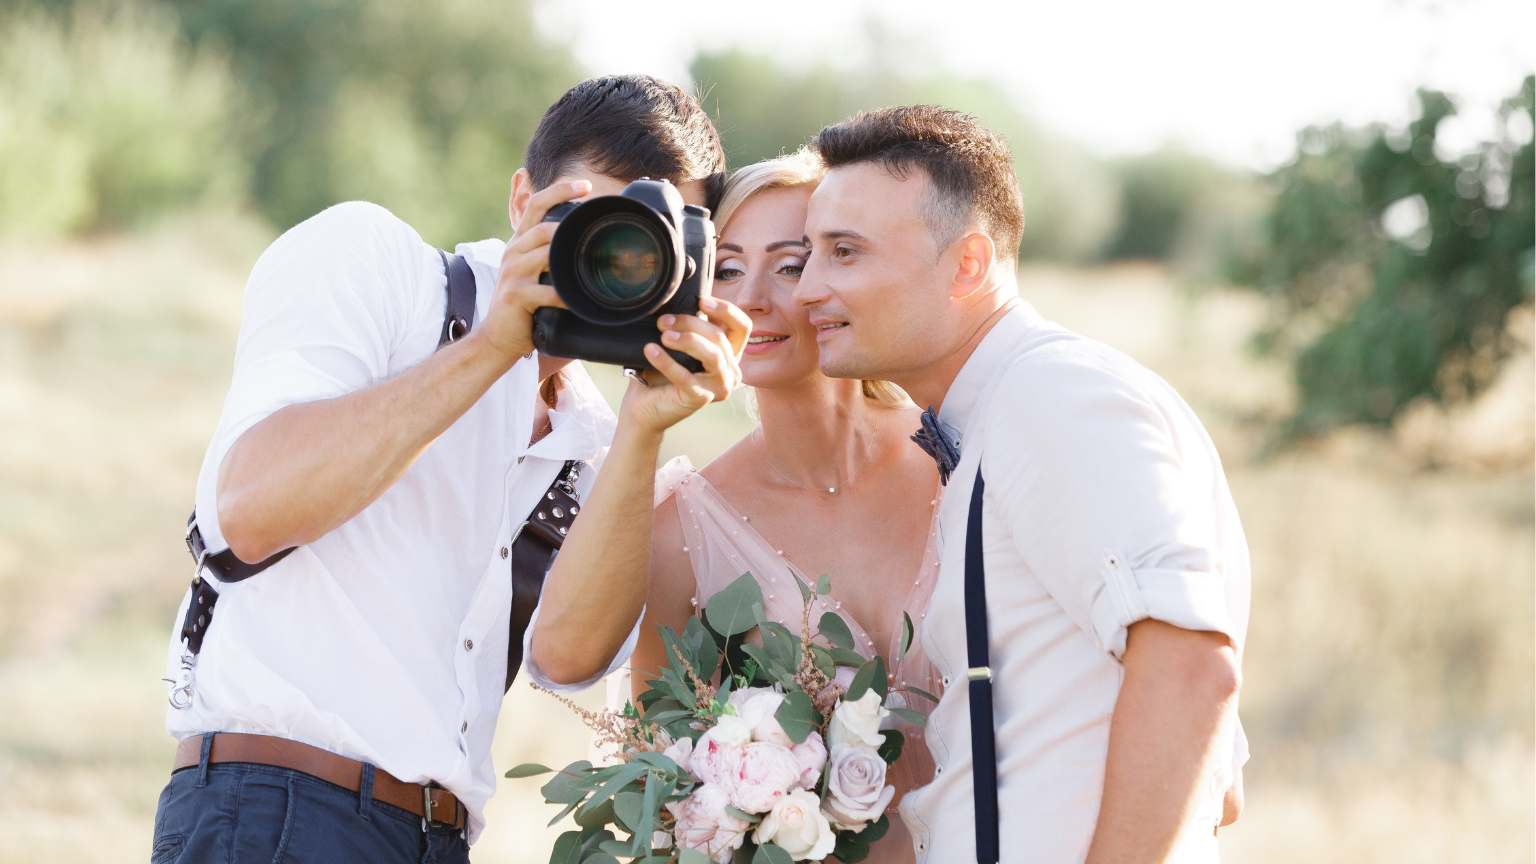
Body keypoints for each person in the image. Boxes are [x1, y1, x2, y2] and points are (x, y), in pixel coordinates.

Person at [149, 75, 747, 864]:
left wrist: (643, 427)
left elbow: (568, 664)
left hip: (437, 838)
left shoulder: (597, 437)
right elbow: (248, 510)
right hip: (277, 808)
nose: (612, 260)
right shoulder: (377, 264)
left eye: (646, 245)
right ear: (520, 199)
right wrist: (496, 346)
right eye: (593, 221)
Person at [797, 106, 1250, 862]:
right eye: (810, 253)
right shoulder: (1004, 411)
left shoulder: (1055, 397)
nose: (809, 286)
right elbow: (1220, 781)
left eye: (844, 252)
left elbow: (1191, 667)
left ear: (968, 264)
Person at [579, 150, 946, 864]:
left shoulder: (962, 457)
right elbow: (668, 789)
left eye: (790, 262)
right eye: (727, 269)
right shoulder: (681, 529)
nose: (752, 298)